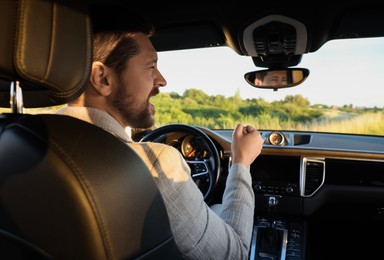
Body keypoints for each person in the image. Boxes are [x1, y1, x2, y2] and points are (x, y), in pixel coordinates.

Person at [56, 8, 264, 260]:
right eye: (151, 66)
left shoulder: (17, 139)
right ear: (102, 77)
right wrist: (241, 164)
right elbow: (235, 254)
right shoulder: (155, 166)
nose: (162, 80)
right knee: (220, 208)